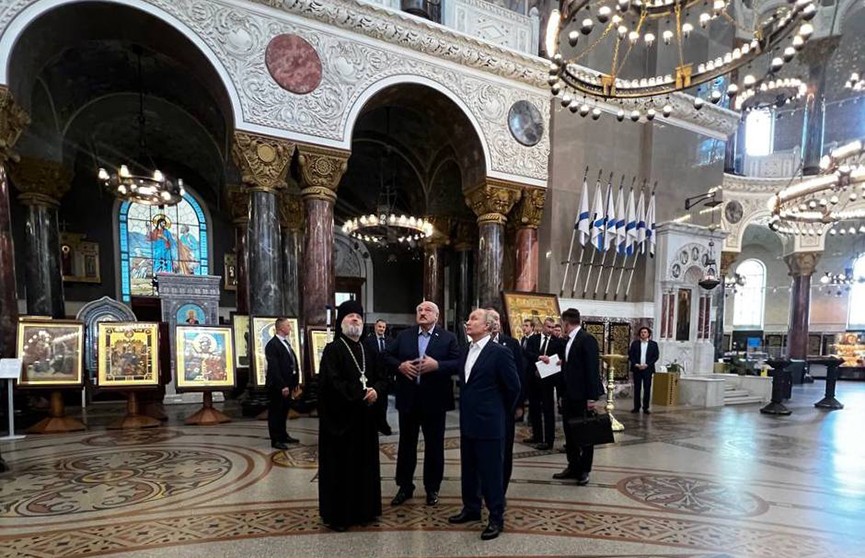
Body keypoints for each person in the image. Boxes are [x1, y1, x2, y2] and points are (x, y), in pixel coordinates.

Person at [448, 308, 521, 541]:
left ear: (488, 326)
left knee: (491, 473)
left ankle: (496, 518)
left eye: (473, 319)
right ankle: (471, 508)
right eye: (468, 318)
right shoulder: (466, 350)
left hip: (490, 423)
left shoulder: (499, 352)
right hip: (468, 422)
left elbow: (514, 387)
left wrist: (499, 411)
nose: (467, 322)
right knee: (468, 469)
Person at [318, 300, 387, 532]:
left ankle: (365, 511)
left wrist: (376, 390)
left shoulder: (369, 349)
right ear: (341, 322)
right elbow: (332, 384)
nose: (355, 319)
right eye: (349, 316)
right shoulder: (333, 349)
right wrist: (360, 394)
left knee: (365, 467)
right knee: (342, 468)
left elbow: (381, 376)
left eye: (358, 316)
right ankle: (341, 516)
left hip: (365, 422)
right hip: (341, 422)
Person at [384, 301, 461, 507]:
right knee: (406, 445)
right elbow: (386, 355)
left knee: (434, 446)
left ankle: (432, 487)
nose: (422, 312)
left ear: (437, 316)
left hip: (435, 402)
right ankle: (405, 486)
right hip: (409, 400)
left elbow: (459, 363)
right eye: (419, 309)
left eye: (427, 310)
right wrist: (399, 366)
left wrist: (438, 365)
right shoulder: (404, 335)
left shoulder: (448, 338)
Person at [540, 308, 603, 485]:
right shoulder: (568, 340)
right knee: (570, 433)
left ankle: (584, 470)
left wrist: (592, 398)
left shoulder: (587, 339)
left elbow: (591, 370)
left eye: (562, 323)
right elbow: (569, 365)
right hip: (569, 394)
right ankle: (573, 465)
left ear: (567, 323)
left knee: (585, 433)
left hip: (582, 396)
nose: (562, 326)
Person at [486, 307, 523, 497]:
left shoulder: (511, 344)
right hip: (484, 409)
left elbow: (519, 376)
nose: (495, 322)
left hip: (506, 407)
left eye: (497, 319)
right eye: (491, 318)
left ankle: (501, 490)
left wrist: (518, 405)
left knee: (504, 451)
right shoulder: (475, 345)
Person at [523, 317, 564, 450]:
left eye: (552, 328)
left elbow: (560, 357)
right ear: (543, 326)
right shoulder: (533, 339)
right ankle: (537, 435)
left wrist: (558, 361)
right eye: (548, 327)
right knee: (534, 408)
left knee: (548, 409)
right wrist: (538, 357)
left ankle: (549, 440)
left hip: (548, 380)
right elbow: (527, 353)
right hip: (533, 378)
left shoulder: (557, 342)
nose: (550, 330)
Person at [265, 317, 301, 449]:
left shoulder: (286, 343)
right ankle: (275, 439)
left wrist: (295, 382)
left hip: (288, 383)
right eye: (287, 325)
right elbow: (274, 368)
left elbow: (291, 363)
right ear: (280, 328)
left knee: (284, 411)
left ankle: (283, 435)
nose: (290, 328)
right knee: (276, 412)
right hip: (278, 386)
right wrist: (282, 386)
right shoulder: (272, 345)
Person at [363, 319, 393, 435]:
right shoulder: (368, 341)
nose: (381, 329)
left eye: (383, 327)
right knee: (373, 403)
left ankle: (382, 424)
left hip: (385, 377)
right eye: (379, 327)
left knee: (383, 403)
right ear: (375, 327)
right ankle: (373, 425)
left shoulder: (390, 341)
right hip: (372, 376)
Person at [628, 326, 659, 414]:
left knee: (647, 388)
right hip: (637, 369)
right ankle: (636, 407)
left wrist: (647, 364)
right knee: (637, 388)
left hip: (647, 369)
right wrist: (636, 364)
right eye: (642, 332)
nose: (643, 334)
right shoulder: (635, 344)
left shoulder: (654, 344)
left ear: (648, 334)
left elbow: (655, 356)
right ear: (639, 334)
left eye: (645, 332)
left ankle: (646, 407)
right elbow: (631, 355)